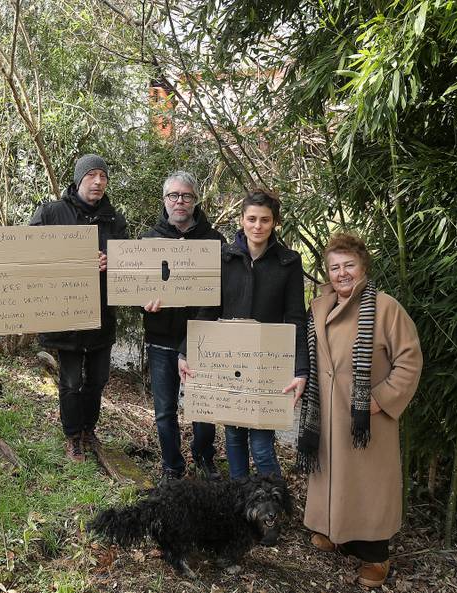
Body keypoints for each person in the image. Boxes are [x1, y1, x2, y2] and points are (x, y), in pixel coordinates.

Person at [0, 154, 127, 462]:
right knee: (71, 382)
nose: (98, 181)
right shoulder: (51, 213)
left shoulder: (115, 219)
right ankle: (73, 436)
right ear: (79, 179)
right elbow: (24, 253)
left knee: (97, 380)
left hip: (102, 316)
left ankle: (88, 430)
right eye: (91, 175)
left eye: (103, 176)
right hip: (65, 318)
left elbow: (129, 264)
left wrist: (112, 261)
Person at [295, 233, 422, 588]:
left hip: (366, 418)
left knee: (367, 485)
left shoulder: (385, 308)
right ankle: (334, 531)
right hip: (327, 412)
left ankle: (375, 556)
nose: (342, 273)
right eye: (334, 267)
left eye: (349, 265)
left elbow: (410, 360)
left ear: (363, 266)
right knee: (332, 476)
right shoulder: (318, 306)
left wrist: (382, 399)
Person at [178, 189, 307, 480]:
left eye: (265, 220)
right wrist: (185, 351)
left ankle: (273, 502)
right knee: (234, 438)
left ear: (275, 222)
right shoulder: (224, 258)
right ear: (242, 220)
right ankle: (241, 499)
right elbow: (208, 311)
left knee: (261, 446)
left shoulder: (288, 262)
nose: (257, 226)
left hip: (267, 366)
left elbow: (296, 319)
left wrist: (300, 370)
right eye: (252, 219)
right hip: (230, 364)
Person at [141, 171, 226, 483]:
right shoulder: (148, 241)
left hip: (201, 339)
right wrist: (143, 302)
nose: (180, 201)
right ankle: (172, 466)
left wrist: (197, 337)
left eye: (186, 196)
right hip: (160, 338)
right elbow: (135, 288)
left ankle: (204, 456)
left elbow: (220, 294)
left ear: (195, 201)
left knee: (203, 408)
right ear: (165, 201)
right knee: (165, 411)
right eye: (173, 196)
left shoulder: (214, 241)